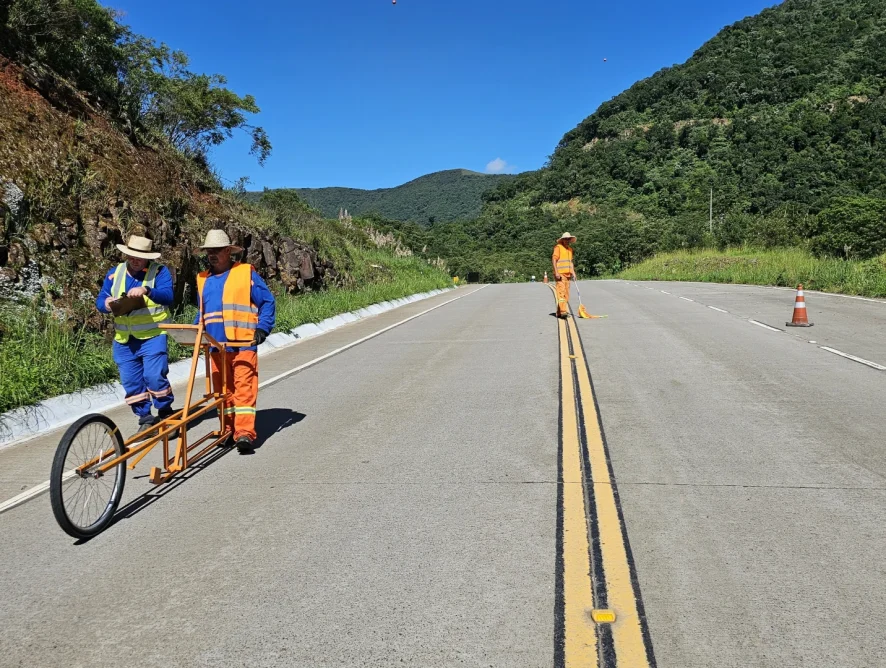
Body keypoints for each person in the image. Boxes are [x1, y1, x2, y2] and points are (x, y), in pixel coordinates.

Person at [195, 230, 276, 454]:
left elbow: (267, 302)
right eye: (209, 251)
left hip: (243, 343)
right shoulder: (202, 279)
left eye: (217, 250)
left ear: (229, 251)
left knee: (243, 389)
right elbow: (201, 312)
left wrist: (262, 328)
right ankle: (228, 429)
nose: (212, 255)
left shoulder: (244, 273)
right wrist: (194, 333)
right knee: (223, 392)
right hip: (215, 346)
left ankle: (244, 433)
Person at [96, 235, 175, 433]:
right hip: (124, 340)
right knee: (131, 382)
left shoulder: (160, 272)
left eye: (139, 257)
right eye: (131, 255)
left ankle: (166, 413)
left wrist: (147, 290)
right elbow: (101, 298)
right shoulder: (115, 273)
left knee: (154, 377)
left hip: (153, 335)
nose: (135, 260)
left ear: (148, 257)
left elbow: (168, 296)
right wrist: (105, 304)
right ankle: (146, 418)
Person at [552, 232, 576, 318]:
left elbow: (570, 262)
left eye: (568, 239)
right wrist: (556, 272)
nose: (567, 240)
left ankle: (559, 312)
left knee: (566, 294)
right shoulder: (558, 247)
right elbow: (554, 260)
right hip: (560, 275)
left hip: (568, 275)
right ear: (562, 240)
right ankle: (563, 311)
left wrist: (573, 272)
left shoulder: (570, 250)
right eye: (565, 239)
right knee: (561, 293)